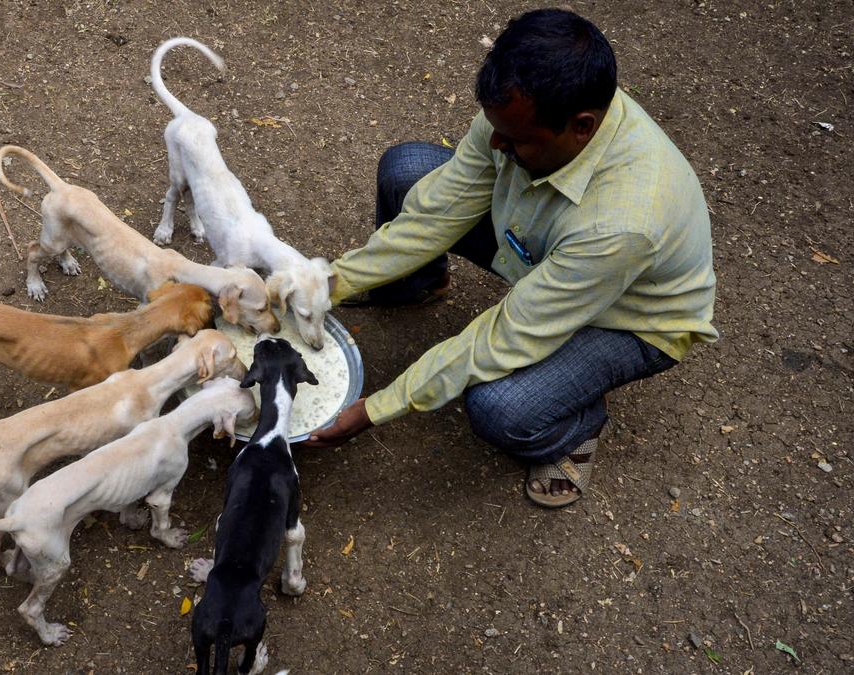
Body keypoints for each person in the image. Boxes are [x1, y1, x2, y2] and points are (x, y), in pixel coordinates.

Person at [302, 8, 718, 508]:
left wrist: (377, 408)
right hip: (551, 254)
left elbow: (507, 335)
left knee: (501, 408)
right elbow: (435, 213)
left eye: (517, 140)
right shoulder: (525, 110)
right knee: (406, 171)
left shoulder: (624, 223)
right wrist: (326, 285)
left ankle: (577, 423)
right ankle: (416, 286)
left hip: (629, 318)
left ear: (581, 127)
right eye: (496, 127)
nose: (497, 144)